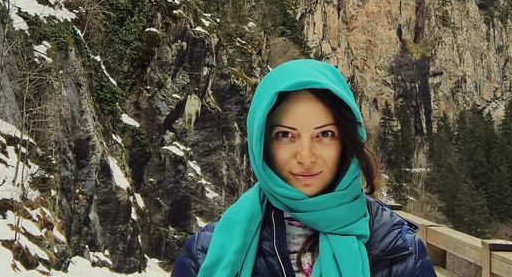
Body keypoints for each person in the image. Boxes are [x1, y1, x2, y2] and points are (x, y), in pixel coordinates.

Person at [171, 59, 435, 277]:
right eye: (286, 135)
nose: (306, 157)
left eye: (325, 134)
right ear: (262, 143)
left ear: (346, 140)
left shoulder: (400, 251)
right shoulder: (206, 253)